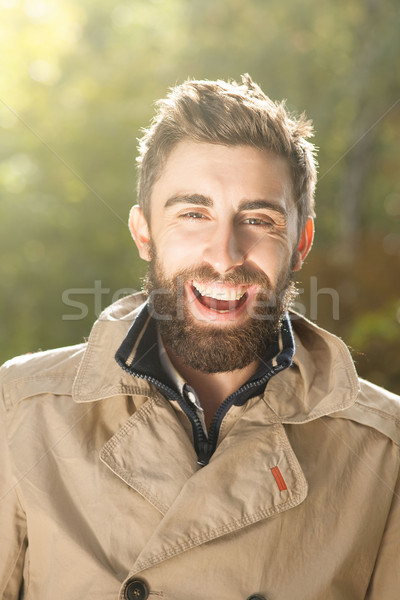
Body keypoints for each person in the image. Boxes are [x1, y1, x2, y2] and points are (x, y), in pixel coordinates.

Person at [1, 75, 399, 600]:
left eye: (258, 219)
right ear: (144, 232)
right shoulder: (19, 409)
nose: (225, 253)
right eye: (193, 214)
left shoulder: (385, 450)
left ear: (301, 243)